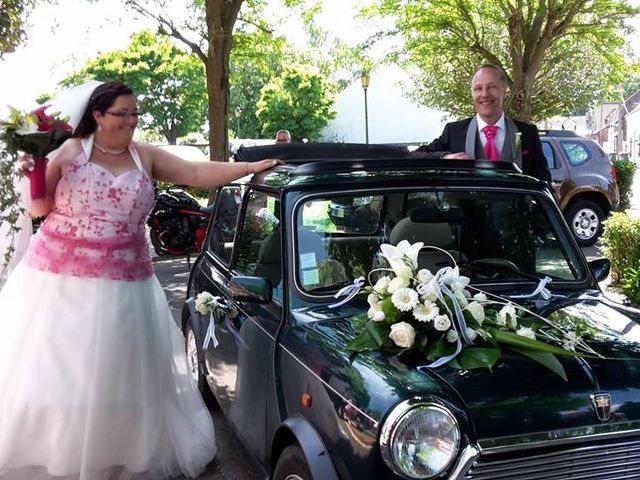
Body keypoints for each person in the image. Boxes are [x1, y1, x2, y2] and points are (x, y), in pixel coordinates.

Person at [0, 81, 278, 480]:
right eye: (122, 113)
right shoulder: (69, 152)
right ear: (98, 115)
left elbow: (196, 172)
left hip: (125, 286)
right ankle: (61, 451)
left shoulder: (144, 156)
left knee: (118, 379)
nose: (131, 120)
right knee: (64, 374)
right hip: (61, 283)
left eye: (135, 113)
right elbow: (39, 207)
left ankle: (112, 453)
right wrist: (37, 169)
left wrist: (249, 168)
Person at [412, 64, 550, 182]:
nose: (484, 94)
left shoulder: (527, 133)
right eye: (478, 88)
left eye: (491, 87)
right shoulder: (454, 132)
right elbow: (414, 157)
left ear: (505, 90)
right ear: (472, 93)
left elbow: (543, 181)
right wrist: (446, 157)